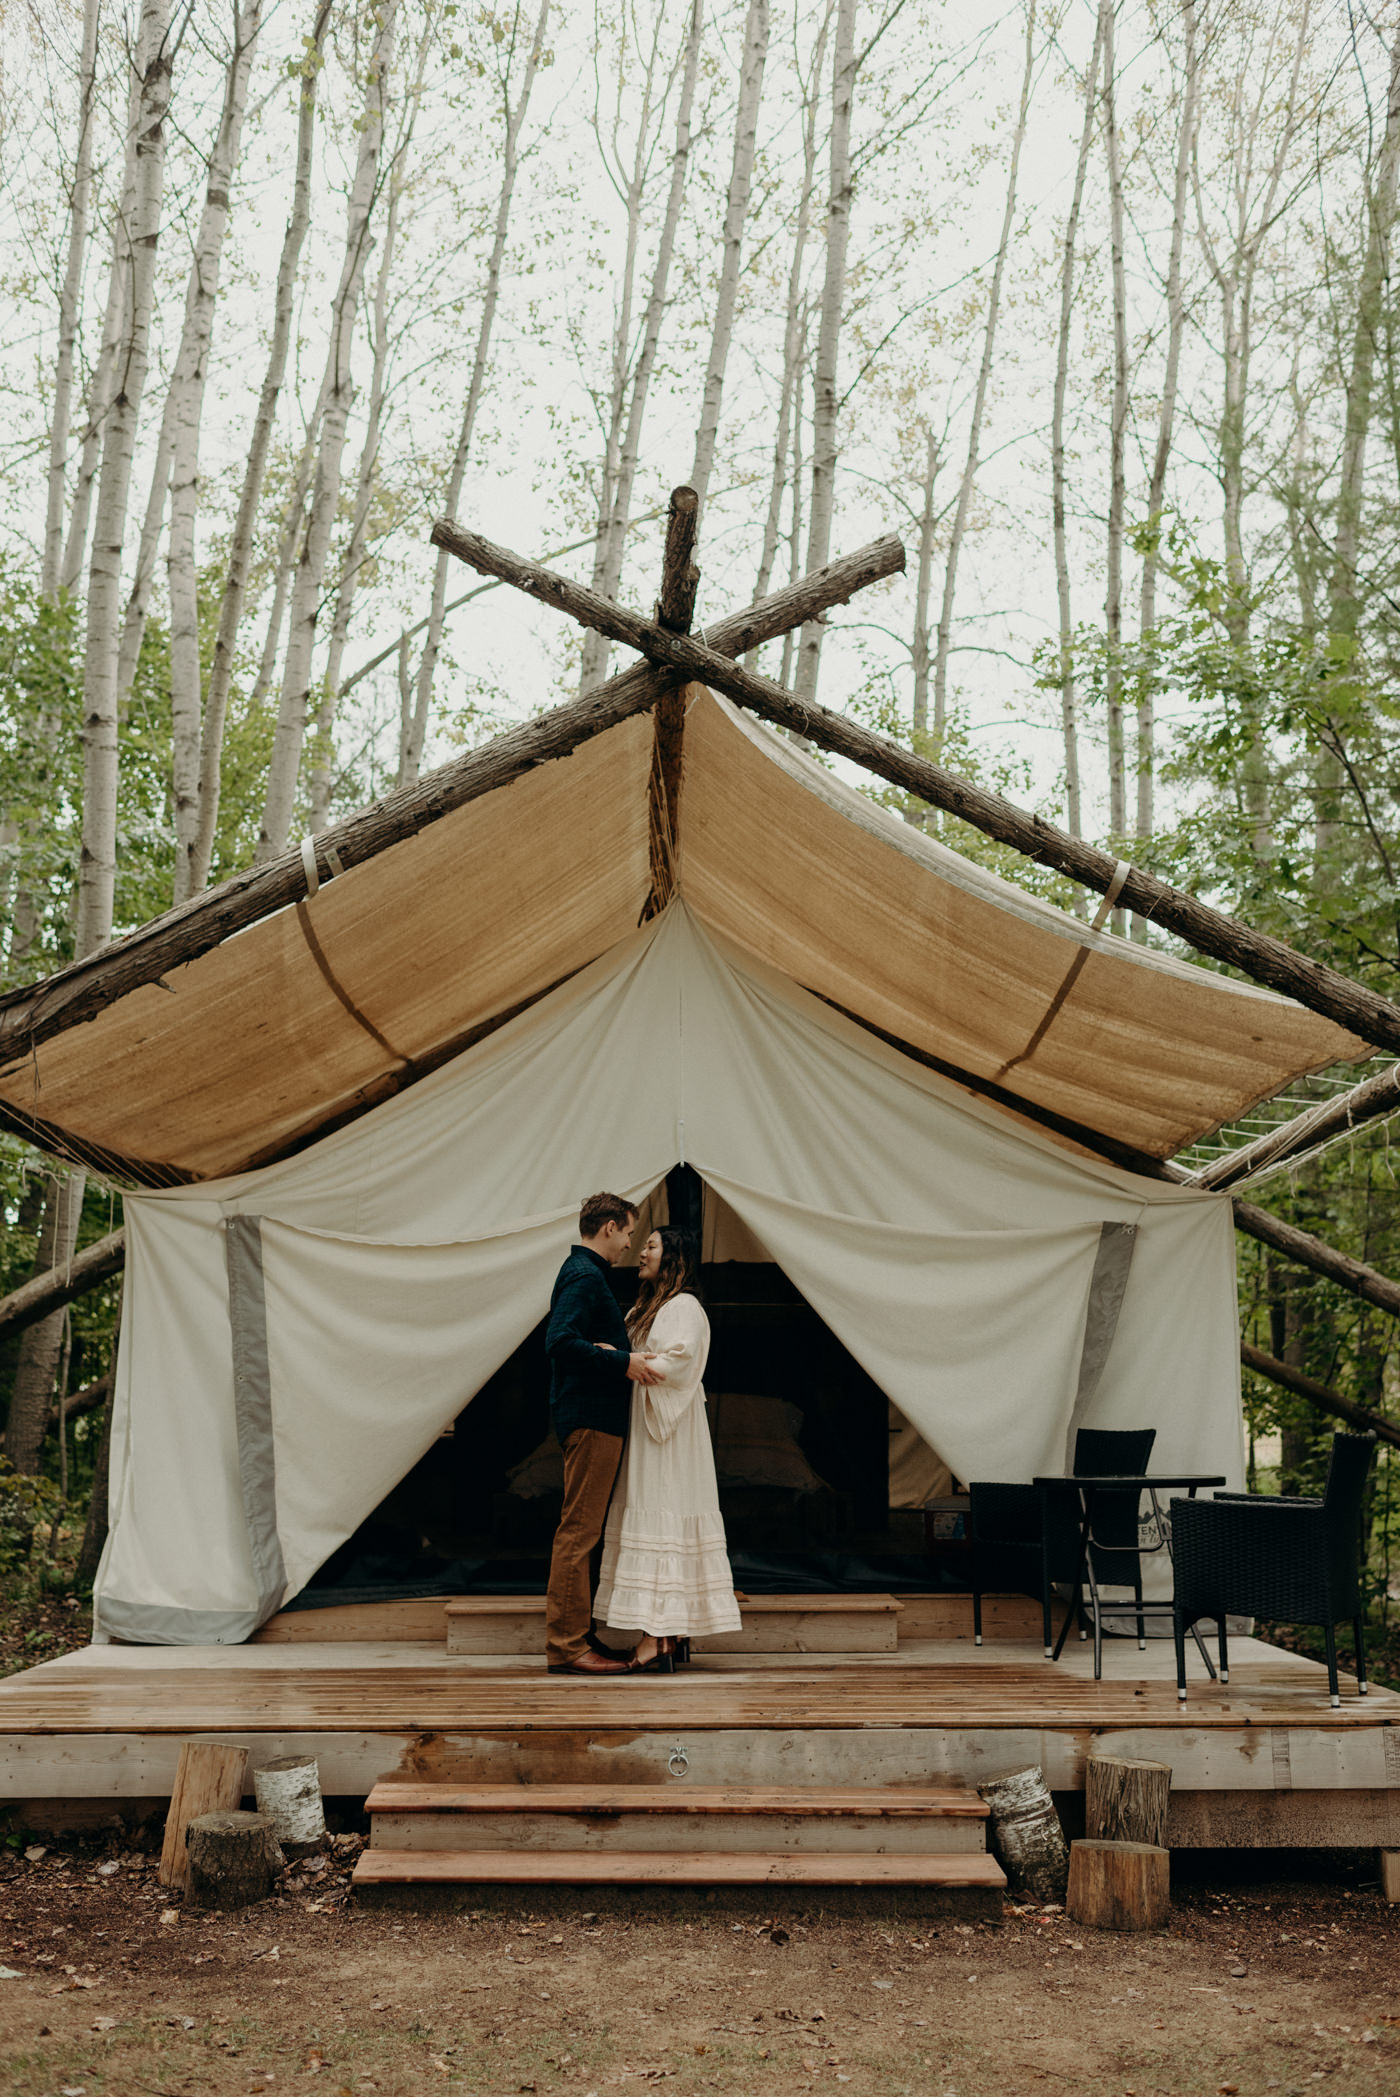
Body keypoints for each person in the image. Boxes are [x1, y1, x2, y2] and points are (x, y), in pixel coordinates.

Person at [594, 1224, 742, 1671]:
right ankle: (661, 1632)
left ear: (673, 1255)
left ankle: (659, 1635)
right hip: (646, 1419)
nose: (641, 1252)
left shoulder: (685, 1306)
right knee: (650, 1506)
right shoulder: (649, 1304)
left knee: (665, 1509)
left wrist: (625, 1361)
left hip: (669, 1429)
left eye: (651, 1246)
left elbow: (678, 1362)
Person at [543, 1192, 662, 1676]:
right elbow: (560, 1341)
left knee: (585, 1532)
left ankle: (577, 1635)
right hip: (591, 1420)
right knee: (579, 1532)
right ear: (609, 1227)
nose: (631, 1244)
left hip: (595, 1419)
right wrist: (624, 1362)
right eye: (630, 1233)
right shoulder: (584, 1274)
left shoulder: (587, 1276)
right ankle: (567, 1646)